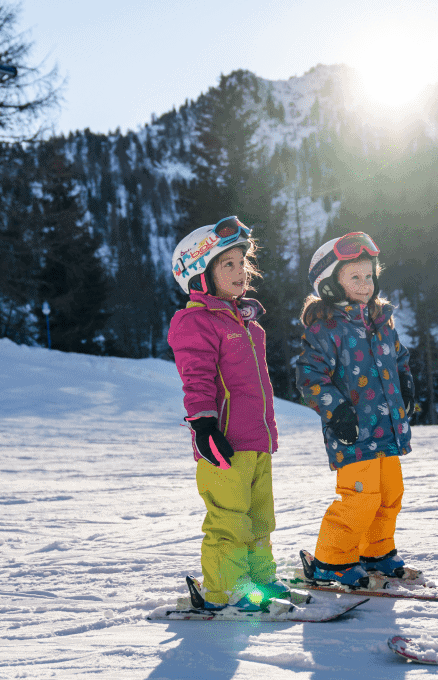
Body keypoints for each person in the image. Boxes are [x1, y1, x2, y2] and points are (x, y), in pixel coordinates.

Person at [167, 216, 288, 611]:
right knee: (229, 523)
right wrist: (203, 425)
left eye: (242, 262)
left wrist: (269, 431)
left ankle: (262, 583)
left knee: (259, 520)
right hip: (223, 446)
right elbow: (196, 378)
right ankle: (225, 590)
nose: (240, 272)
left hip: (256, 442)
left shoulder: (251, 326)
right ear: (201, 275)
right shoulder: (194, 321)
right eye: (228, 264)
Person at [295, 231, 416, 588]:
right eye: (355, 277)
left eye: (369, 275)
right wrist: (336, 411)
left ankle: (375, 553)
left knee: (390, 495)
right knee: (359, 499)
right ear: (330, 285)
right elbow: (309, 375)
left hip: (387, 429)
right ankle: (332, 561)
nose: (365, 284)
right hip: (353, 432)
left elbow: (399, 357)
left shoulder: (380, 320)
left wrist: (406, 381)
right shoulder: (325, 329)